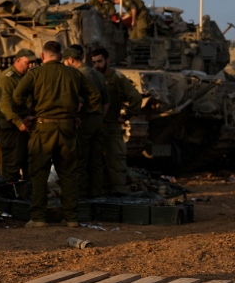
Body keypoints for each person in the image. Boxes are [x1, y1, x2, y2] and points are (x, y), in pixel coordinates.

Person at [13, 40, 98, 228]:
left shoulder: (35, 74)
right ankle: (71, 218)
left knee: (39, 173)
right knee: (68, 174)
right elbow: (94, 97)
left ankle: (38, 218)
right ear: (61, 56)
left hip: (43, 128)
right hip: (67, 128)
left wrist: (26, 115)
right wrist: (79, 116)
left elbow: (16, 97)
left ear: (43, 56)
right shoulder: (74, 74)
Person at [90, 47, 142, 195]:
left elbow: (136, 98)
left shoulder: (117, 78)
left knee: (116, 162)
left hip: (111, 126)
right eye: (94, 62)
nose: (97, 65)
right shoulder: (93, 77)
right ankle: (103, 192)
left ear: (108, 60)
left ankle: (119, 193)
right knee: (98, 163)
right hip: (95, 127)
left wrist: (126, 116)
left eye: (100, 61)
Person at [64, 45, 109, 198]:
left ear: (70, 60)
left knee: (80, 159)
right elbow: (106, 101)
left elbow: (77, 102)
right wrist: (99, 118)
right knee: (96, 161)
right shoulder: (98, 74)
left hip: (84, 120)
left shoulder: (77, 75)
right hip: (97, 120)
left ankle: (81, 194)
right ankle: (95, 193)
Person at [0, 49, 38, 181]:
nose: (30, 66)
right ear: (17, 61)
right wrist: (19, 122)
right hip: (10, 125)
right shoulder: (7, 78)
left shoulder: (25, 77)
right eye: (27, 62)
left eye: (32, 63)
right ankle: (10, 194)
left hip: (21, 123)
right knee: (11, 162)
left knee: (25, 160)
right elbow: (4, 105)